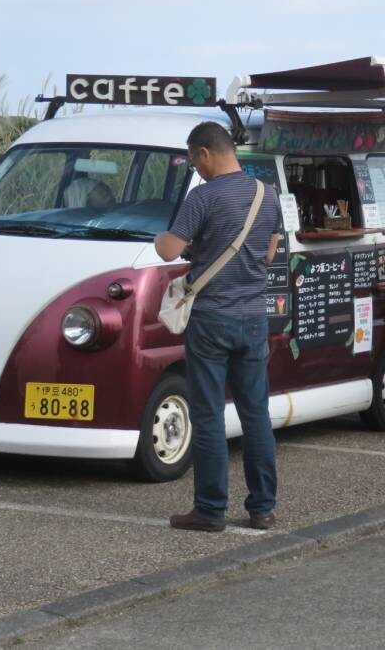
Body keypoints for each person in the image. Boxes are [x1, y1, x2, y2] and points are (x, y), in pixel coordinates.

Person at [154, 122, 283, 532]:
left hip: (212, 318)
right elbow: (269, 251)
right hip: (253, 316)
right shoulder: (267, 194)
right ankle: (263, 508)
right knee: (255, 414)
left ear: (205, 152)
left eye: (193, 158)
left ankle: (210, 510)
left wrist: (164, 238)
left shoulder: (202, 196)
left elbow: (170, 248)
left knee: (209, 416)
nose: (195, 166)